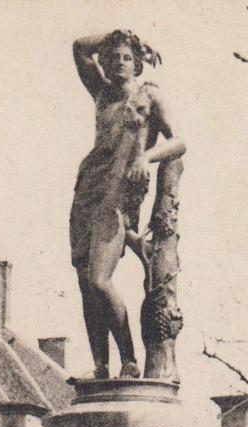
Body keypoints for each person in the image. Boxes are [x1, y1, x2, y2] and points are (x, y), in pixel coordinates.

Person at [71, 29, 186, 379]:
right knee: (86, 284)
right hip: (87, 191)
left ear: (137, 64)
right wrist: (119, 32)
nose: (119, 63)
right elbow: (80, 47)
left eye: (126, 57)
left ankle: (129, 361)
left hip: (118, 194)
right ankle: (100, 366)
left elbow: (179, 142)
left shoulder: (149, 95)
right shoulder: (102, 93)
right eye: (112, 57)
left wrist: (145, 158)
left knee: (99, 279)